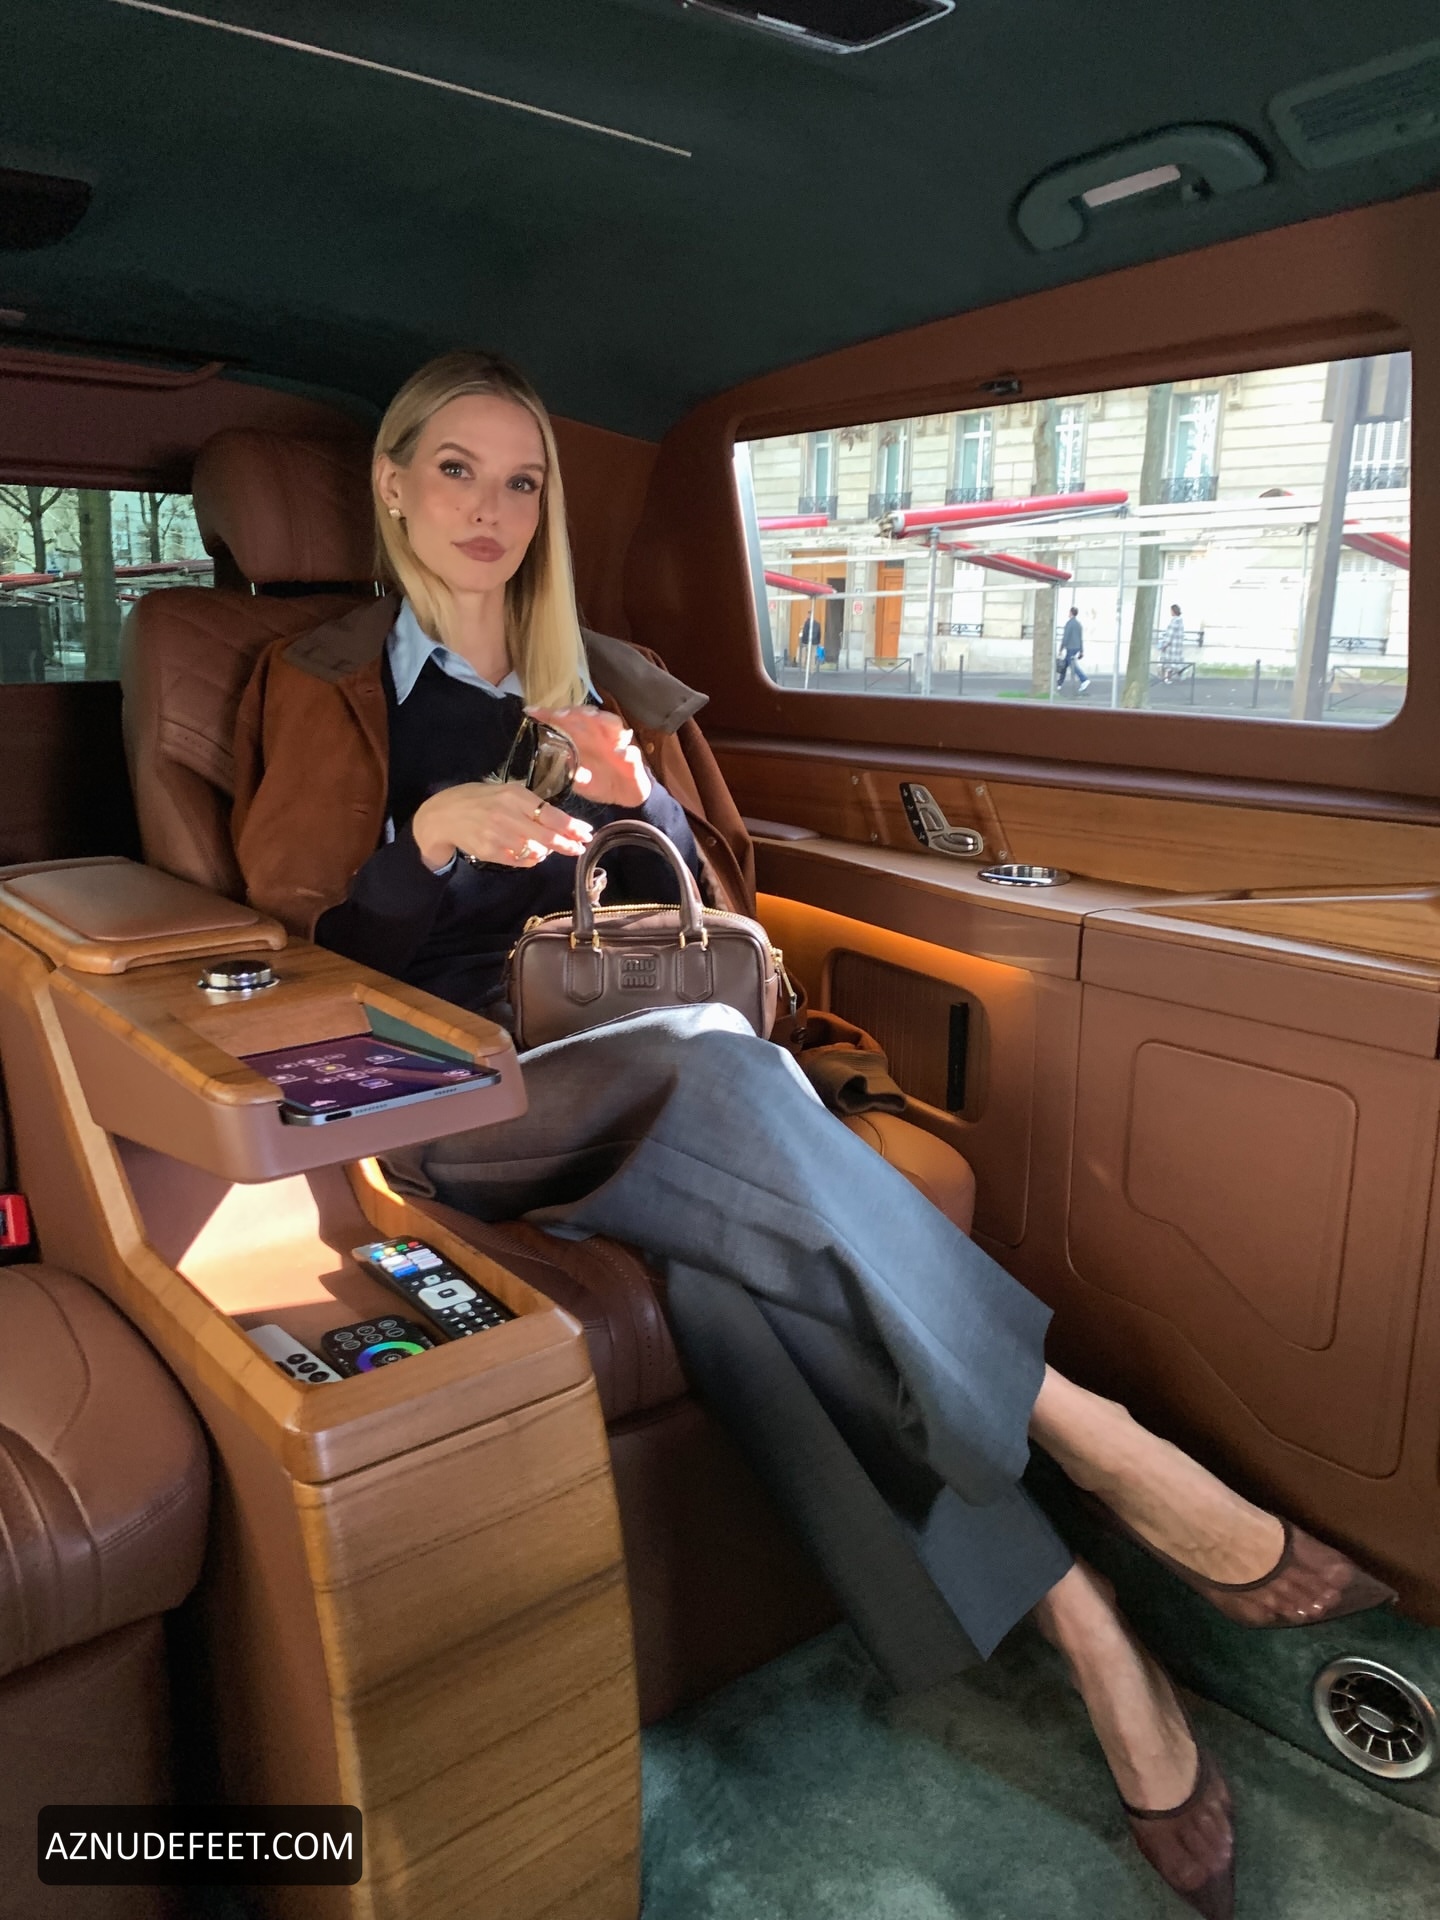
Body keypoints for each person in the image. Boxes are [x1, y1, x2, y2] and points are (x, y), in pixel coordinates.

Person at [232, 353, 1396, 1920]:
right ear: (390, 483)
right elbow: (283, 945)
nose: (490, 508)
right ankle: (1090, 1432)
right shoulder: (325, 681)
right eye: (454, 469)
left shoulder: (611, 679)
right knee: (720, 1067)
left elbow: (718, 911)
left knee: (741, 1285)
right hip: (464, 1089)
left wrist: (645, 799)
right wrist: (425, 844)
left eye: (521, 479)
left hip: (657, 1046)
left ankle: (1087, 1630)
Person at [1057, 605, 1089, 691]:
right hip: (1076, 647)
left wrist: (1061, 649)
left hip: (1070, 647)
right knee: (1065, 665)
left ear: (1071, 613)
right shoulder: (1079, 624)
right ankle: (1059, 683)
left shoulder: (1069, 624)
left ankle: (1084, 679)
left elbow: (1065, 637)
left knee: (1072, 666)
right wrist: (1081, 651)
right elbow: (1080, 638)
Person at [1161, 603, 1187, 681]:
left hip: (1172, 646)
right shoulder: (1180, 621)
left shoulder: (1174, 621)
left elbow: (1170, 634)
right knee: (1176, 662)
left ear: (1173, 611)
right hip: (1178, 645)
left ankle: (1167, 679)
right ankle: (1179, 673)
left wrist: (1165, 645)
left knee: (1169, 663)